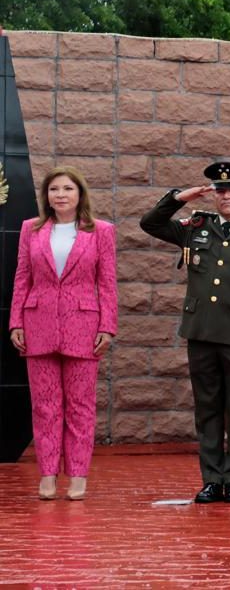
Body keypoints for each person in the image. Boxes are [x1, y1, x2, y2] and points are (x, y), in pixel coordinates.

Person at [139, 161, 230, 504]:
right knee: (207, 410)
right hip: (202, 333)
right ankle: (211, 480)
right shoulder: (197, 226)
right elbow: (150, 223)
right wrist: (178, 198)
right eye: (220, 190)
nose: (226, 195)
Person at [8, 167, 117, 501]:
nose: (61, 195)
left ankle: (79, 474)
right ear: (47, 196)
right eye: (54, 189)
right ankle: (48, 474)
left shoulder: (100, 231)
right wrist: (16, 322)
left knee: (81, 406)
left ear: (79, 194)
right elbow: (22, 278)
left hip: (83, 328)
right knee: (45, 406)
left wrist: (107, 326)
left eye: (68, 188)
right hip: (37, 324)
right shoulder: (31, 229)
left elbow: (107, 283)